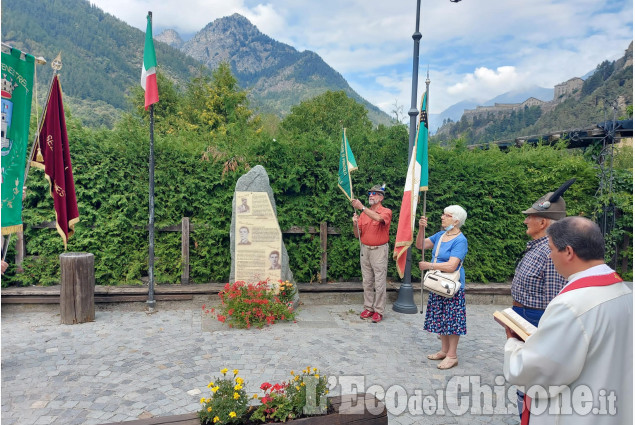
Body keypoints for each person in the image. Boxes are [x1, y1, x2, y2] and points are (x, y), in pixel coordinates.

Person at [503, 216, 633, 425]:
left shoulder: (570, 304)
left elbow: (537, 371)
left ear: (569, 252)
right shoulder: (624, 291)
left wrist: (513, 343)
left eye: (552, 249)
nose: (551, 256)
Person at [510, 179, 573, 415]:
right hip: (523, 318)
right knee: (524, 377)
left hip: (536, 322)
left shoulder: (551, 252)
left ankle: (532, 418)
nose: (526, 220)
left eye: (530, 217)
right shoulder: (539, 246)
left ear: (544, 221)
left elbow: (554, 302)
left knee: (532, 378)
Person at [415, 205, 468, 370]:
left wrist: (429, 266)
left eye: (447, 215)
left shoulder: (460, 240)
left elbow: (452, 265)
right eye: (443, 214)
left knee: (452, 321)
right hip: (438, 283)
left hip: (452, 286)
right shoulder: (440, 235)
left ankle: (452, 356)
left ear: (456, 220)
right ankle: (444, 350)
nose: (442, 217)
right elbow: (420, 245)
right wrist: (421, 229)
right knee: (441, 318)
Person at [351, 184, 392, 323]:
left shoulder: (386, 211)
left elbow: (379, 219)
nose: (370, 195)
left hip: (379, 250)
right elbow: (357, 235)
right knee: (367, 281)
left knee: (379, 282)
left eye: (374, 193)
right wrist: (354, 223)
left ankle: (379, 311)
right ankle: (368, 307)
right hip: (365, 250)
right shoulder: (363, 214)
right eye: (370, 193)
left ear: (381, 197)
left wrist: (362, 207)